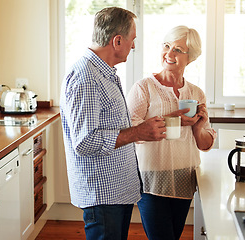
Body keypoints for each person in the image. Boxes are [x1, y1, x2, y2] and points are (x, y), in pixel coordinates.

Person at [59, 7, 167, 240]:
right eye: (132, 40)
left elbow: (111, 127)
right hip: (102, 195)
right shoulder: (86, 77)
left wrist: (140, 131)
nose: (134, 46)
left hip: (115, 191)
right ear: (117, 41)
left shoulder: (105, 73)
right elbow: (85, 142)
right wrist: (138, 132)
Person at [126, 25, 217, 240]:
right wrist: (175, 119)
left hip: (185, 175)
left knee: (173, 236)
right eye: (166, 46)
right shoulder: (144, 87)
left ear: (190, 57)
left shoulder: (196, 93)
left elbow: (205, 144)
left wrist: (196, 128)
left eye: (178, 49)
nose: (169, 54)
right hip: (151, 177)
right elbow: (131, 132)